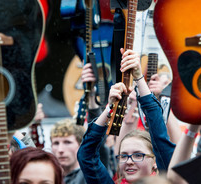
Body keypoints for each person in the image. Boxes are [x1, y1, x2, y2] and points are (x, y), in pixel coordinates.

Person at [77, 49, 176, 184]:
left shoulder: (168, 179)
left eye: (138, 155)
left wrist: (139, 78)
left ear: (155, 162)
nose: (129, 161)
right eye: (123, 156)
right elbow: (86, 156)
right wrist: (110, 108)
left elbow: (159, 138)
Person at [50, 118, 86, 184]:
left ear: (81, 145)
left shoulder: (91, 175)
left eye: (67, 142)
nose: (60, 150)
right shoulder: (48, 177)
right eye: (56, 143)